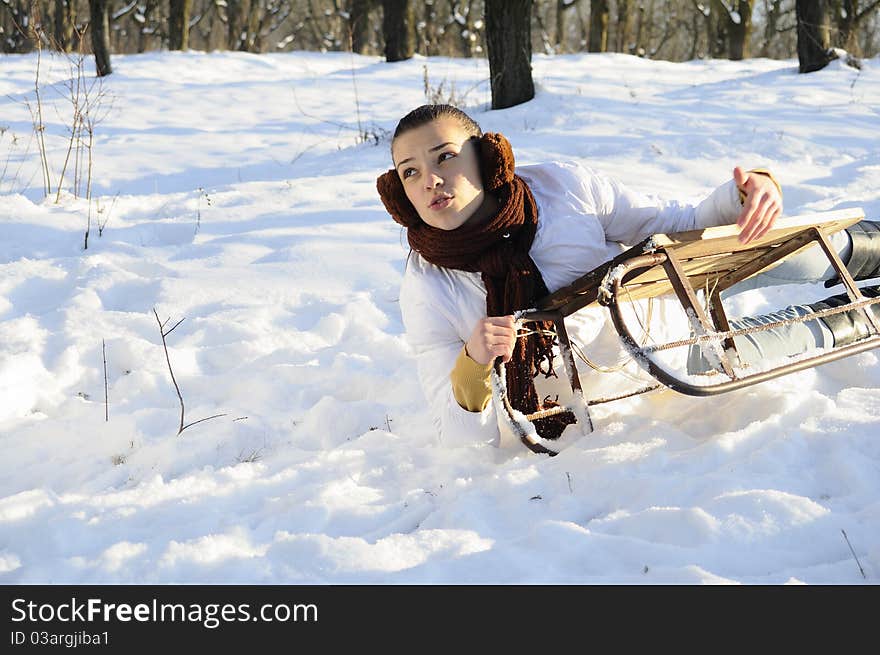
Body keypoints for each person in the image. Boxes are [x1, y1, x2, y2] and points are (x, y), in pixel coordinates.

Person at [376, 104, 880, 448]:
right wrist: (472, 363)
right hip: (674, 361)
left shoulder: (562, 188)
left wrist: (750, 193)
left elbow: (674, 224)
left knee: (786, 247)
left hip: (670, 289)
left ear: (485, 157)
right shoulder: (426, 287)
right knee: (820, 328)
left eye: (445, 156)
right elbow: (453, 432)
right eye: (410, 171)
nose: (431, 180)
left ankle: (872, 246)